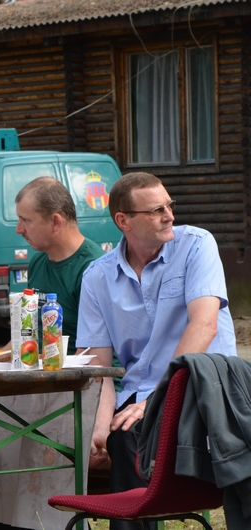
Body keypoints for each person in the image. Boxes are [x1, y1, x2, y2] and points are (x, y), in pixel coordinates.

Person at [76, 172, 237, 530]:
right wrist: (98, 429)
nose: (170, 216)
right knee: (107, 435)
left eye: (169, 205)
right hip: (139, 401)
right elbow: (98, 368)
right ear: (124, 221)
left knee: (132, 434)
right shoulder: (97, 276)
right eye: (156, 210)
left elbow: (205, 325)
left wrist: (154, 401)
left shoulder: (196, 245)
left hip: (204, 389)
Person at [14, 177, 104, 355]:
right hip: (37, 368)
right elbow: (28, 333)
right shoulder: (38, 261)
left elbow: (95, 353)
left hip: (72, 371)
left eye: (26, 220)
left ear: (56, 222)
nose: (19, 229)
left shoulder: (93, 269)